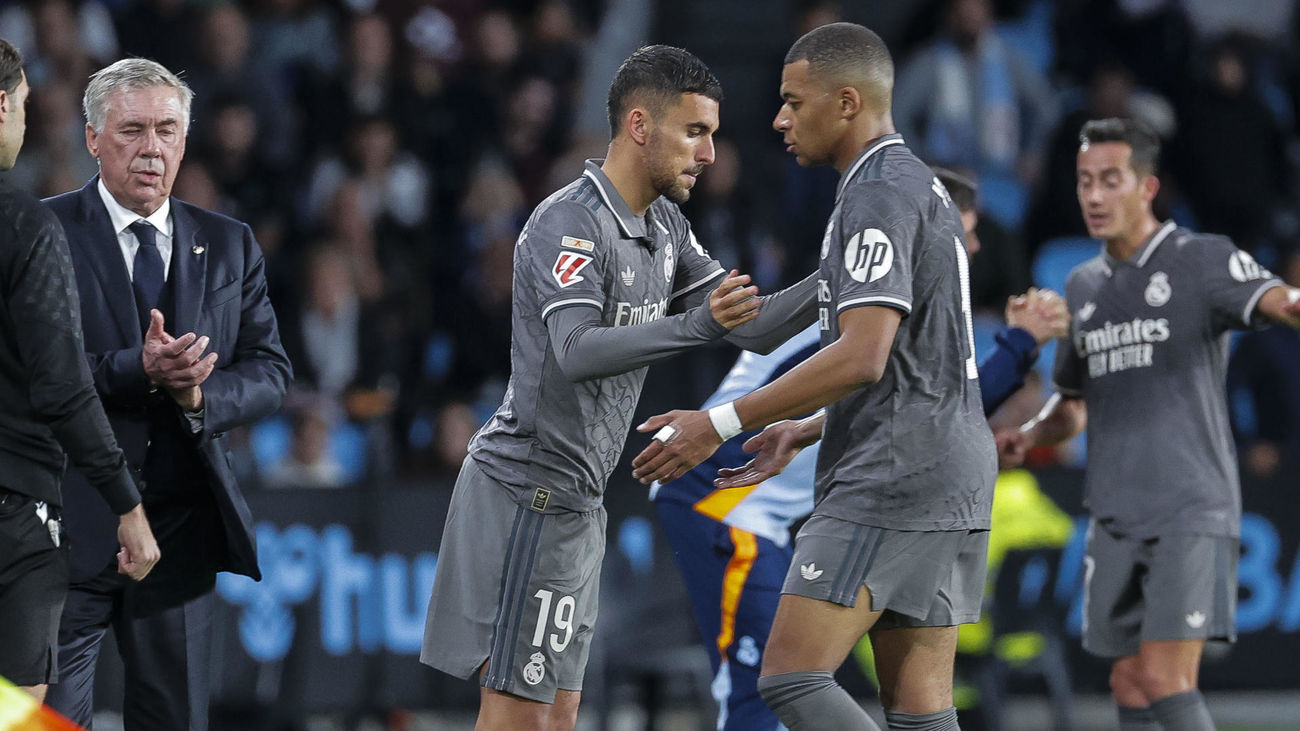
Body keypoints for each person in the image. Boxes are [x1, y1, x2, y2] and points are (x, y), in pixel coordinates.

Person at [420, 45, 818, 731]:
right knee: (519, 718)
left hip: (577, 507)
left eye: (714, 134)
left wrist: (844, 275)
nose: (711, 154)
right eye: (696, 132)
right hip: (526, 497)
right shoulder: (567, 222)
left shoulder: (665, 227)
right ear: (640, 126)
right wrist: (696, 324)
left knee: (558, 718)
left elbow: (752, 328)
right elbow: (575, 351)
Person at [633, 23, 998, 730]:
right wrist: (799, 429)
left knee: (791, 676)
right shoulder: (905, 187)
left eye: (794, 102)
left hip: (892, 472)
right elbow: (776, 322)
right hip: (945, 465)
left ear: (848, 102)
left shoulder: (878, 195)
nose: (779, 119)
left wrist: (723, 422)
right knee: (920, 711)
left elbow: (863, 355)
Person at [648, 168, 1067, 730]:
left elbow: (932, 413)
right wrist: (1019, 345)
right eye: (963, 230)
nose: (972, 246)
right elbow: (930, 404)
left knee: (890, 695)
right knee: (765, 685)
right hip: (723, 495)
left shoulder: (909, 301)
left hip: (775, 507)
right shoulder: (871, 299)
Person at [996, 118, 1300, 731]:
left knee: (1164, 678)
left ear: (1147, 187)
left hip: (1188, 507)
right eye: (1085, 182)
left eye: (1111, 180)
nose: (1095, 196)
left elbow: (1282, 302)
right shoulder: (1080, 286)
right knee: (1129, 681)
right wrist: (1031, 436)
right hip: (1114, 515)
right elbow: (1074, 405)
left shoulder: (1200, 258)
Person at [41, 58, 292, 731]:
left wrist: (197, 399)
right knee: (42, 722)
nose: (153, 148)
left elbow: (270, 371)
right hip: (66, 526)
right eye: (132, 130)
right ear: (92, 138)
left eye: (168, 130)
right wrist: (138, 368)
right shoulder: (41, 234)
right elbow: (31, 371)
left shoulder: (229, 243)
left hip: (179, 535)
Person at [0, 38, 159, 704]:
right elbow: (63, 385)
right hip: (13, 508)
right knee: (17, 707)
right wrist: (127, 503)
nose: (26, 123)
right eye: (25, 106)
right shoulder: (25, 229)